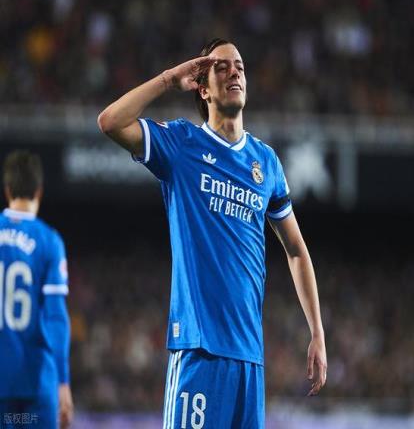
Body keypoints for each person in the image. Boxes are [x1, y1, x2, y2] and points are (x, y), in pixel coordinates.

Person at [97, 38, 327, 428]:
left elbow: (296, 250)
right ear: (203, 89)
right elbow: (110, 122)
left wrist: (317, 331)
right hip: (199, 350)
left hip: (249, 358)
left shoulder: (266, 162)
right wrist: (168, 79)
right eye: (221, 67)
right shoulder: (182, 144)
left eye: (239, 66)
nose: (234, 71)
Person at [0, 151, 73, 429]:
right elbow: (55, 317)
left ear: (7, 190)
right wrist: (63, 381)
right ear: (39, 191)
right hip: (37, 384)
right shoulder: (49, 241)